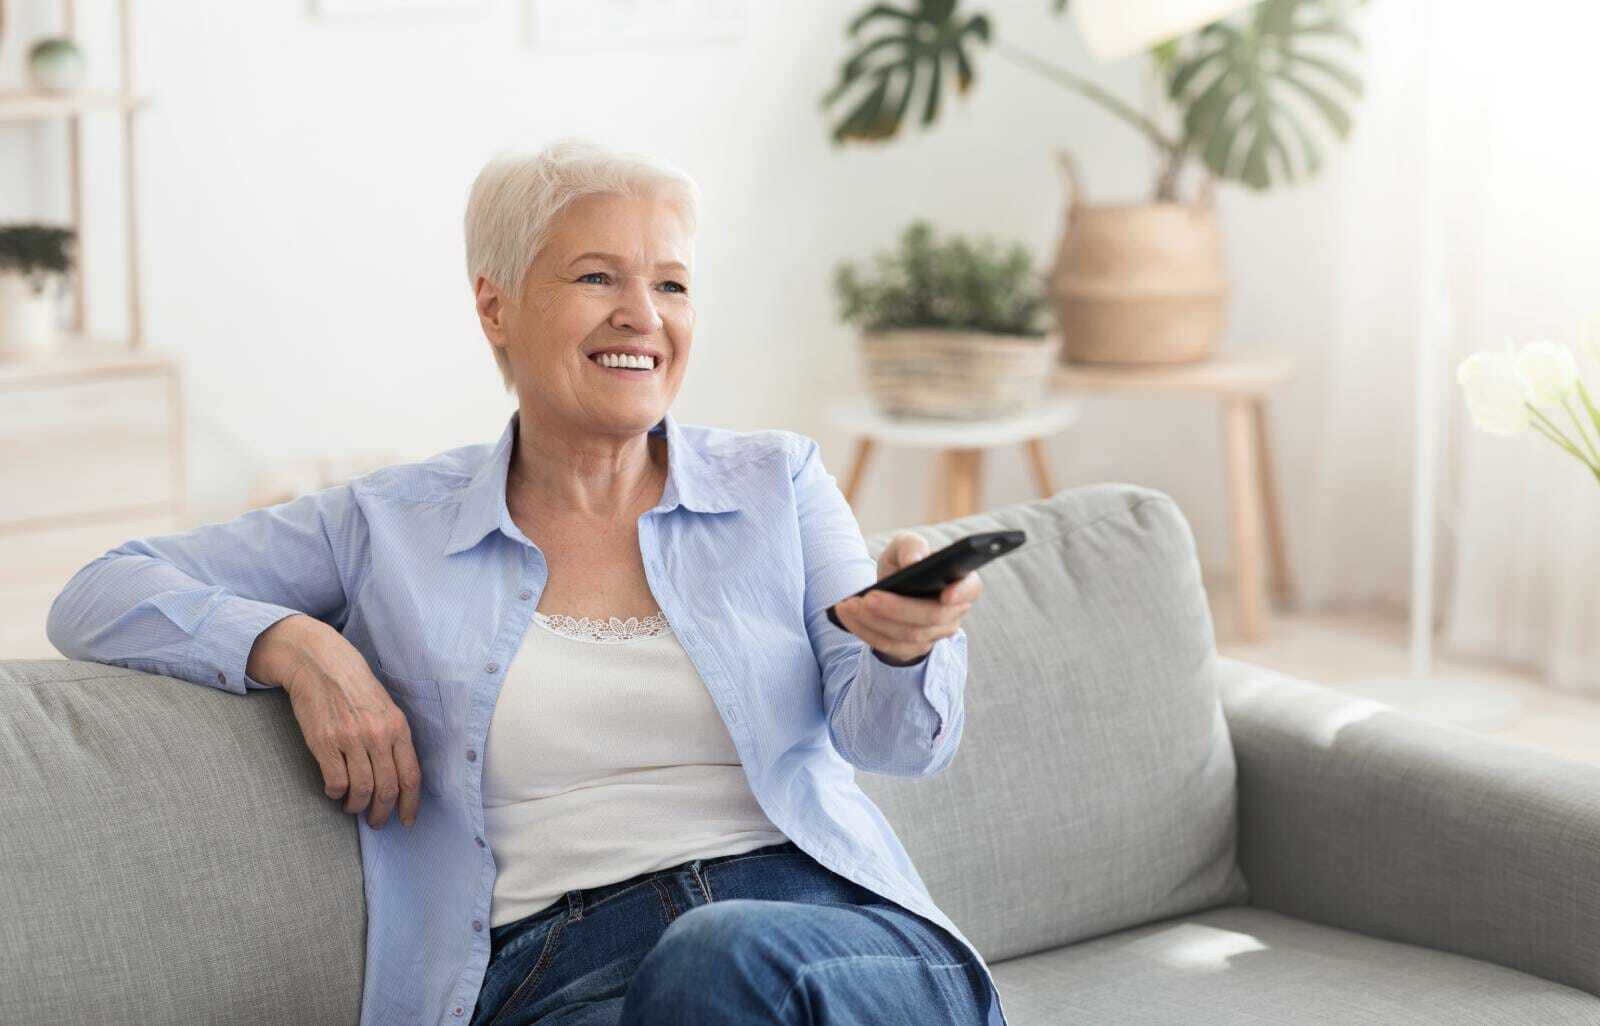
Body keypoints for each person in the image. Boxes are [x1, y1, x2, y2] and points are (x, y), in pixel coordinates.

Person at [46, 136, 1006, 1026]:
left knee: (727, 955)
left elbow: (894, 743)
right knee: (703, 972)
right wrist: (295, 644)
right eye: (598, 277)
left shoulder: (777, 483)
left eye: (672, 283)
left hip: (827, 943)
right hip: (564, 972)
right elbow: (99, 590)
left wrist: (903, 647)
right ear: (495, 303)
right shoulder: (388, 525)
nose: (644, 315)